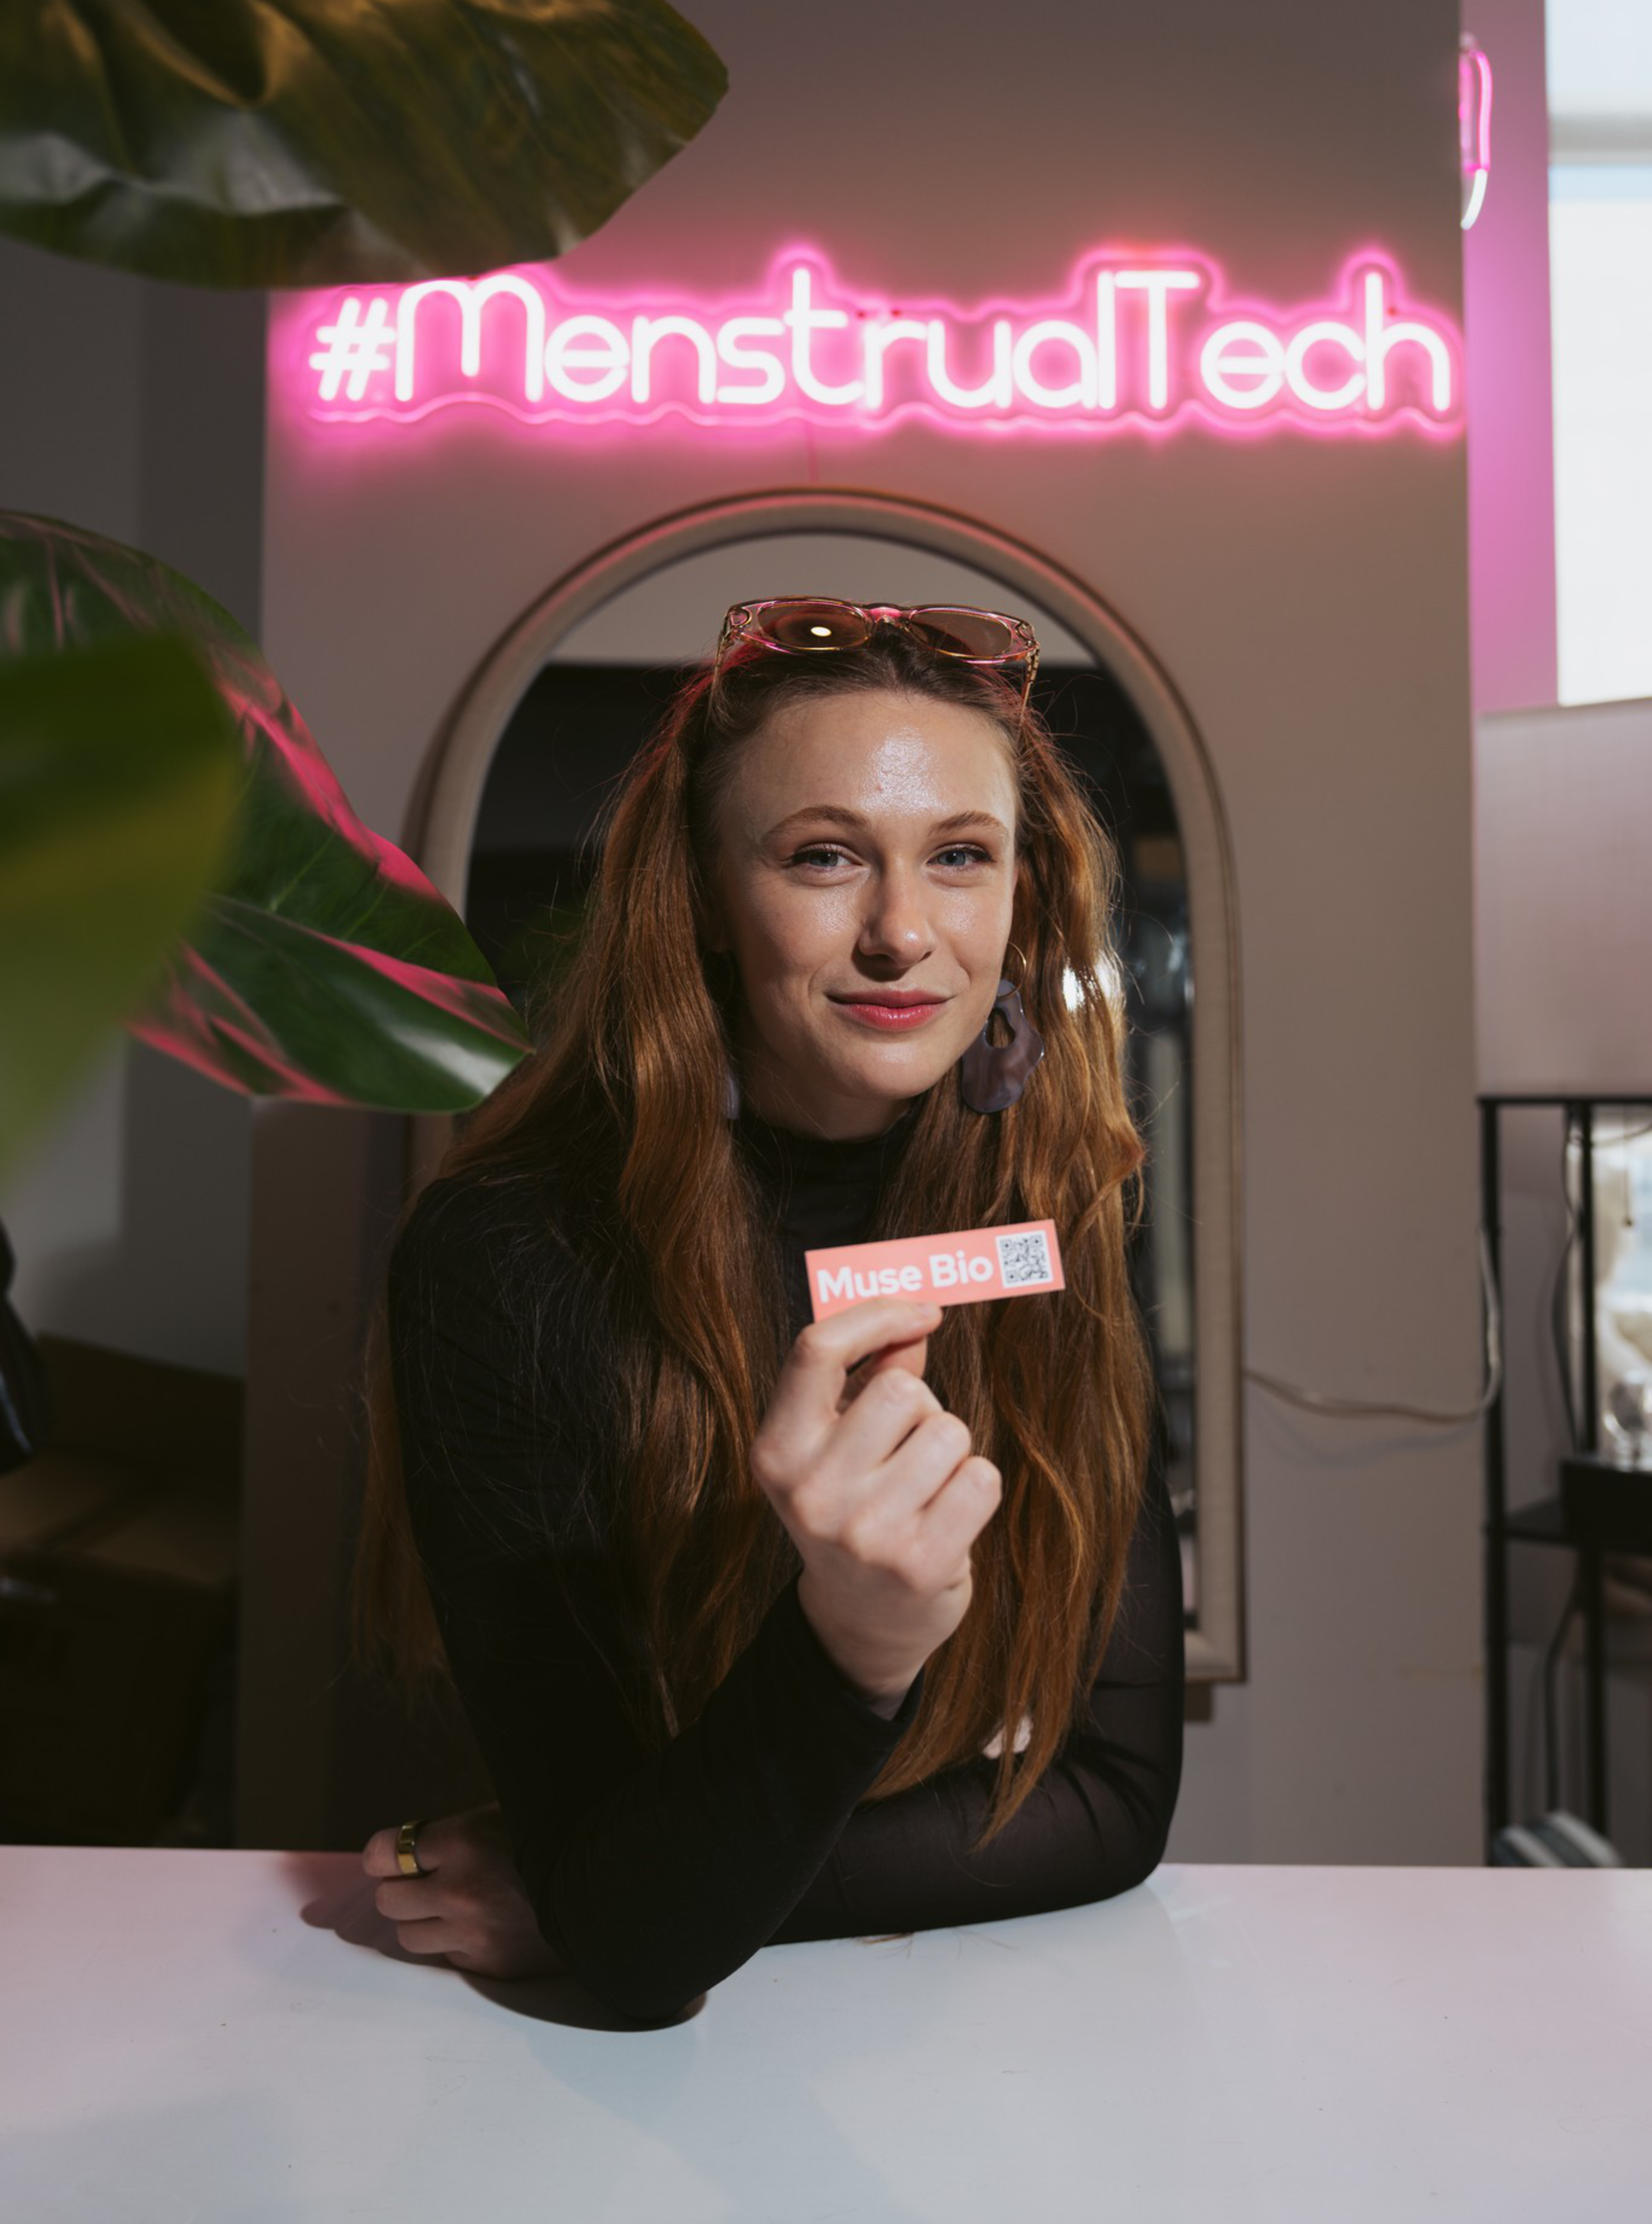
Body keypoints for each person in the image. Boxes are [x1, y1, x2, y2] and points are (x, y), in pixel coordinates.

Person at [351, 594, 1184, 2024]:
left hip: (963, 2056)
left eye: (961, 857)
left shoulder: (1042, 1210)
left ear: (1023, 896)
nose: (903, 932)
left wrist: (606, 1885)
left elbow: (1113, 1795)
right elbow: (638, 1956)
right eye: (823, 856)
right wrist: (853, 1649)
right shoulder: (511, 1250)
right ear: (703, 899)